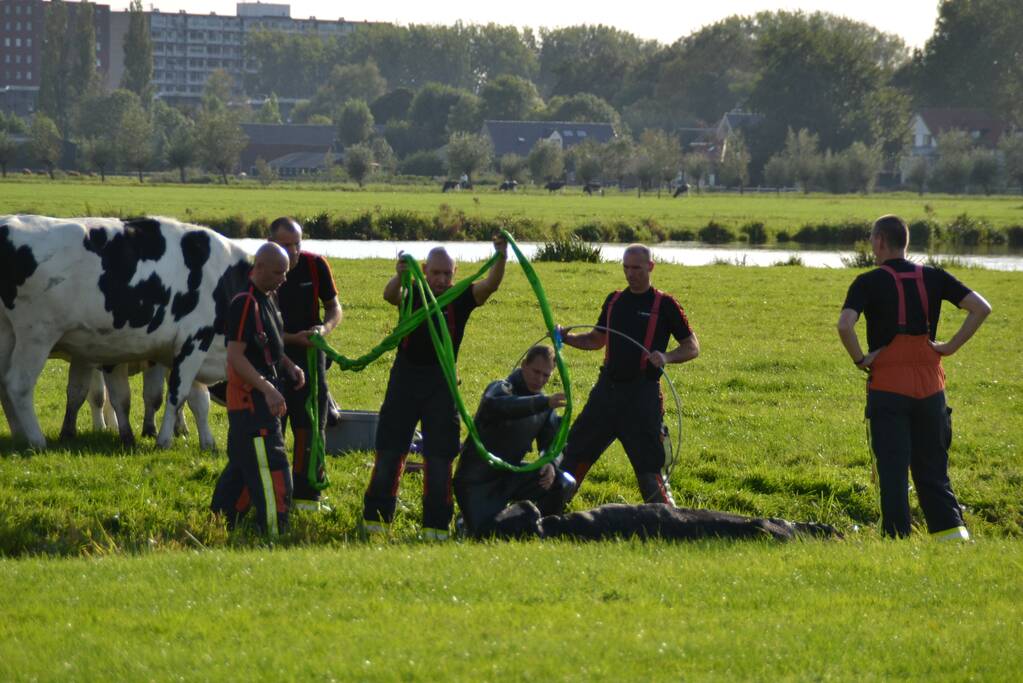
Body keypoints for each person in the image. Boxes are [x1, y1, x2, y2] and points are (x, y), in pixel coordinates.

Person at [837, 214, 990, 540]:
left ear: (879, 242)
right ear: (905, 242)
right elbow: (981, 308)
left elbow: (844, 325)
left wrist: (861, 359)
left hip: (889, 387)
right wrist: (948, 346)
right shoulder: (935, 277)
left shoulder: (867, 281)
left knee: (892, 471)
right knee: (933, 471)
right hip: (931, 385)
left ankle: (896, 541)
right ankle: (954, 540)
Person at [363, 238, 507, 540]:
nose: (442, 280)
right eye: (436, 273)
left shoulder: (461, 297)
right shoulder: (412, 292)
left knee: (440, 456)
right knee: (390, 451)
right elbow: (391, 295)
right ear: (425, 271)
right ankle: (375, 523)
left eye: (447, 274)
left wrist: (501, 255)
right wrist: (400, 273)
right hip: (404, 381)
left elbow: (490, 285)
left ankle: (436, 528)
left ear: (455, 273)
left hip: (442, 385)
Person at [557, 244, 699, 506]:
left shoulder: (665, 304)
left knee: (649, 469)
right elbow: (595, 340)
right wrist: (567, 338)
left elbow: (692, 347)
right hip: (606, 394)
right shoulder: (614, 300)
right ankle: (547, 510)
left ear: (650, 267)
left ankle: (667, 522)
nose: (630, 273)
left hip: (642, 398)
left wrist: (666, 357)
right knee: (575, 455)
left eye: (636, 268)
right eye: (626, 268)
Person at [210, 243, 306, 537]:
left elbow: (267, 346)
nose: (284, 279)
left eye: (287, 272)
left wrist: (288, 365)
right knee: (272, 468)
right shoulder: (244, 303)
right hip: (251, 403)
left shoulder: (268, 298)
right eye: (278, 272)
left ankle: (220, 524)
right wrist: (268, 389)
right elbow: (236, 357)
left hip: (257, 400)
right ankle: (275, 532)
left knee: (242, 467)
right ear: (259, 267)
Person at [453, 345, 574, 538]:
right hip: (477, 480)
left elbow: (553, 444)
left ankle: (544, 529)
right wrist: (543, 403)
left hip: (509, 476)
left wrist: (550, 463)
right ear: (524, 365)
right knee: (485, 535)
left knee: (562, 482)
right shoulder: (500, 389)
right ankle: (466, 521)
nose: (540, 380)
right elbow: (502, 407)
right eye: (536, 372)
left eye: (546, 376)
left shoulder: (545, 404)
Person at [267, 217, 343, 511]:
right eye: (285, 245)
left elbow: (334, 306)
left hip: (311, 357)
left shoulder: (316, 265)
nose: (292, 251)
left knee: (311, 424)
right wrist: (291, 338)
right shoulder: (262, 270)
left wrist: (324, 330)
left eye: (296, 244)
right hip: (272, 359)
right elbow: (259, 326)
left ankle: (307, 496)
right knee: (273, 426)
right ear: (270, 244)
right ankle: (275, 494)